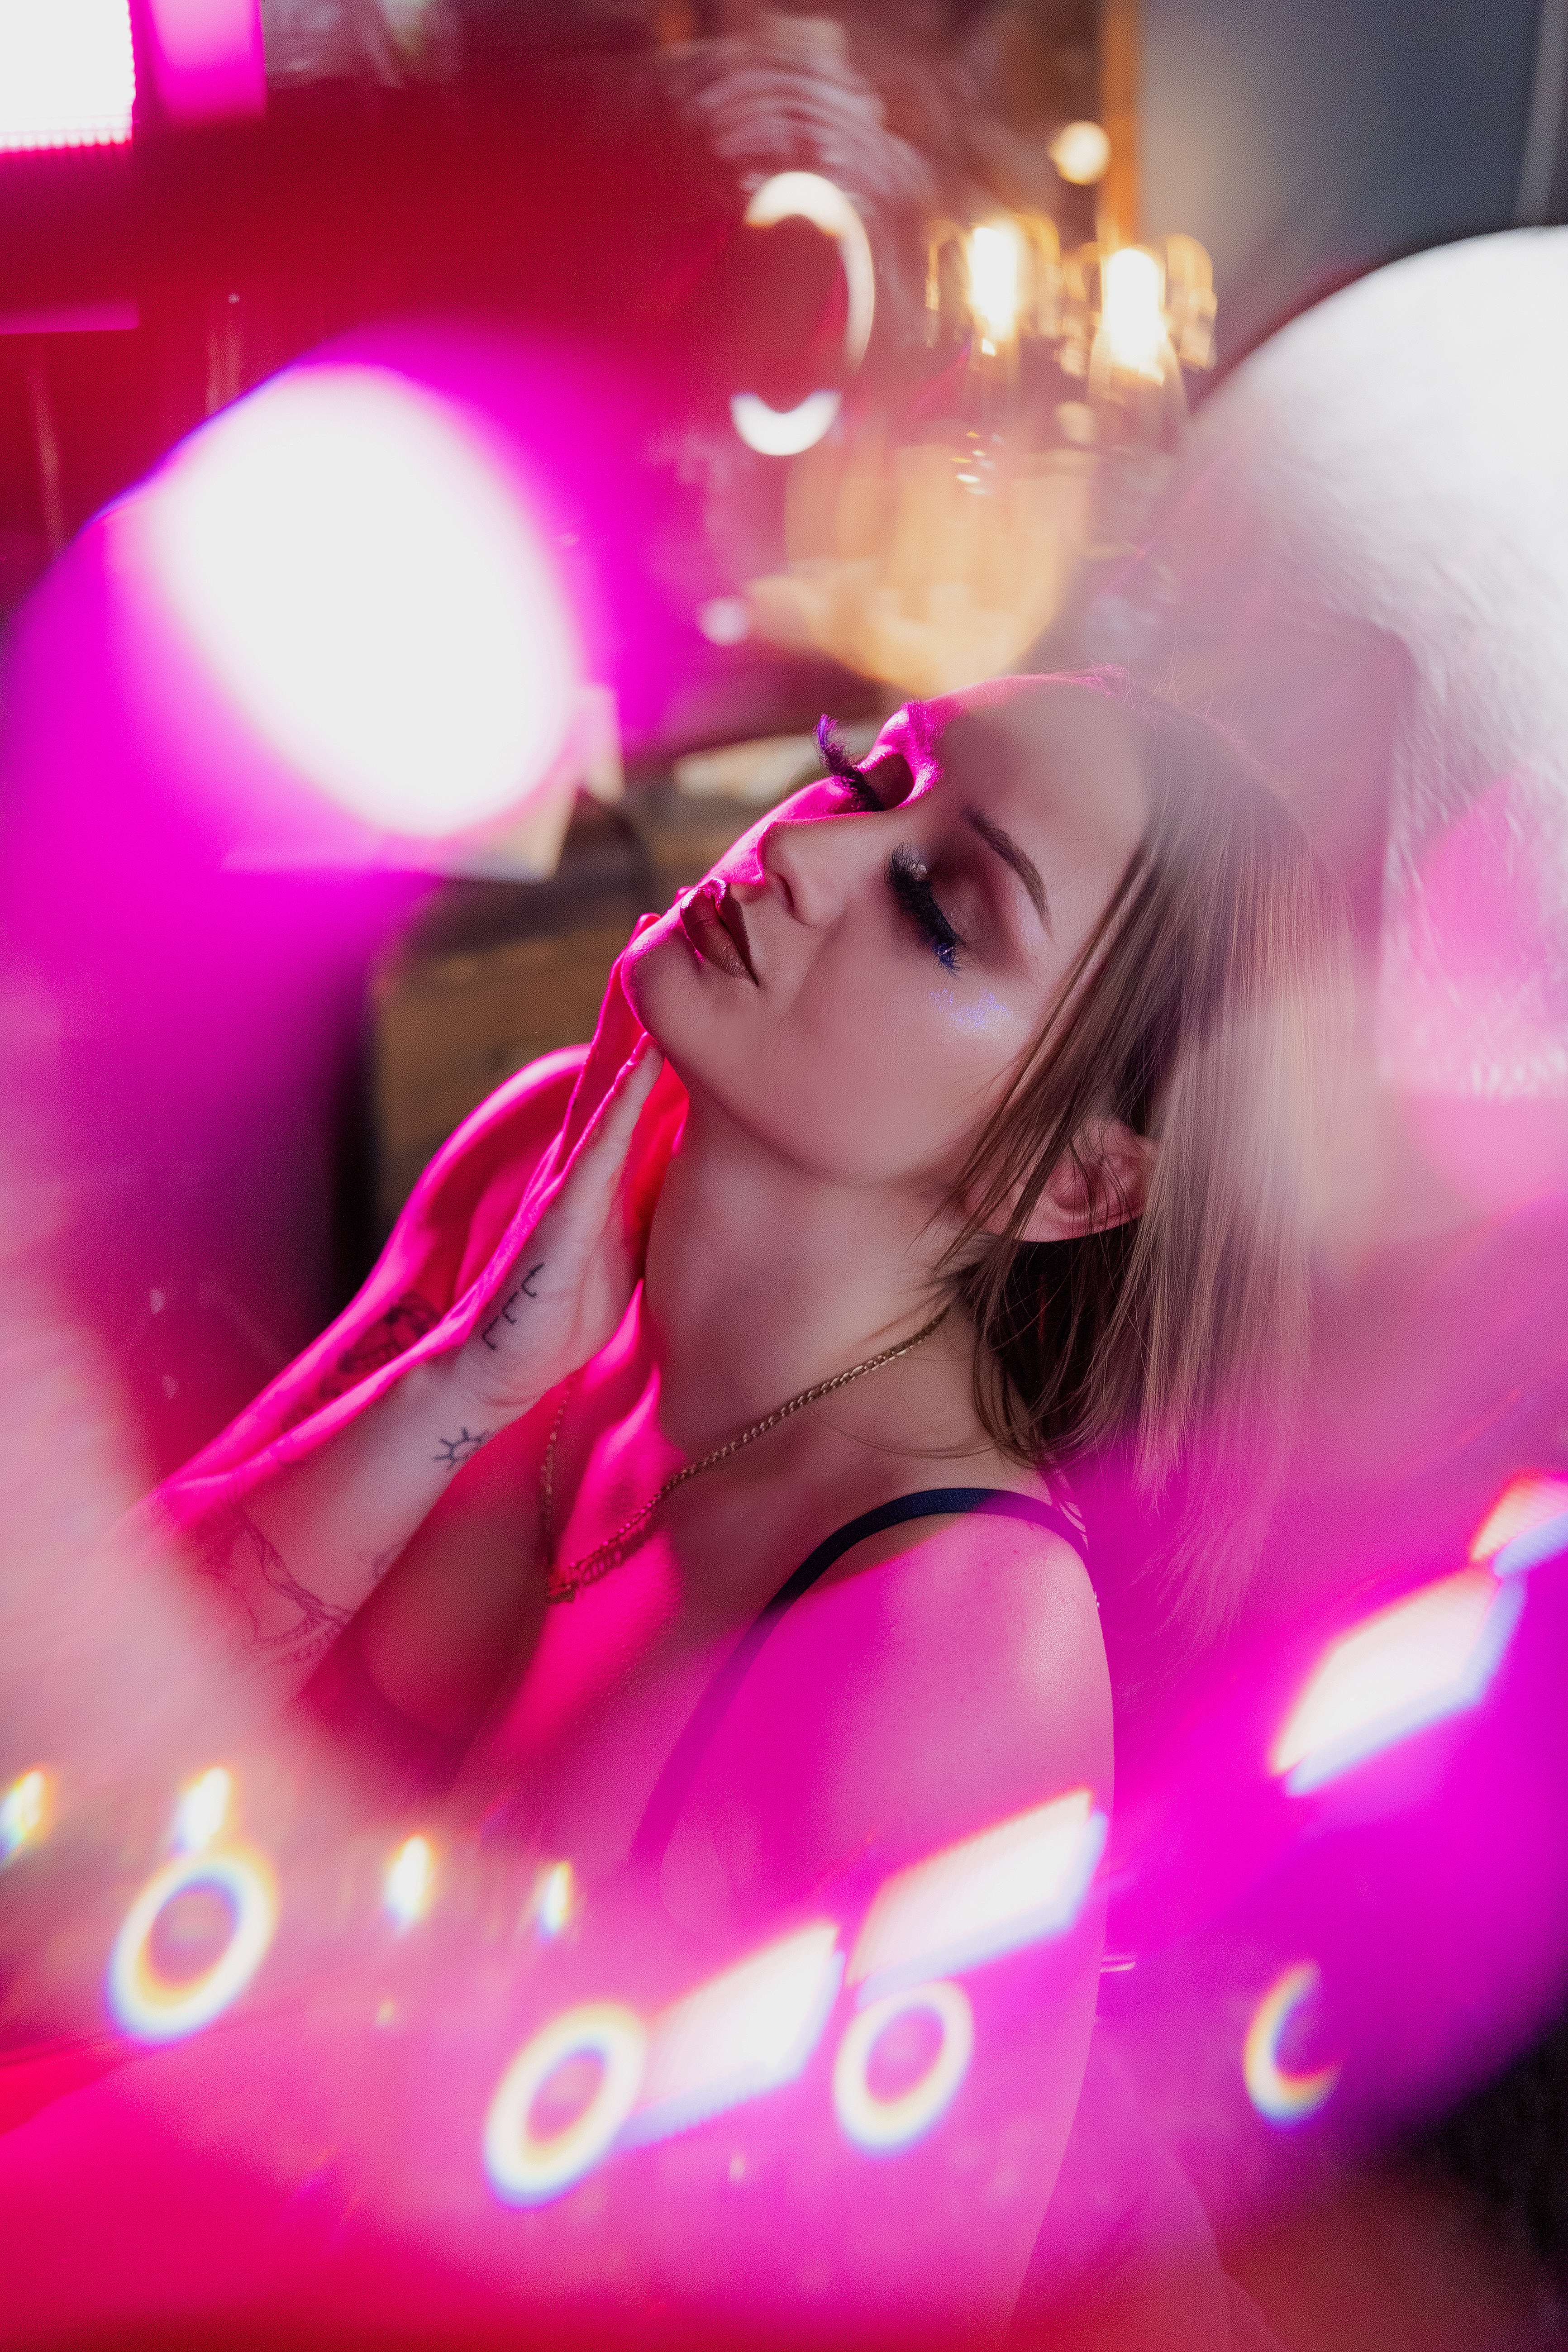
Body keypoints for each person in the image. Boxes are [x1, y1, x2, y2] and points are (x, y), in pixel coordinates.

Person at [96, 667, 1346, 2335]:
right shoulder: (552, 1155)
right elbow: (86, 1736)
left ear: (1069, 1179)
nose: (806, 852)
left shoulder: (952, 1636)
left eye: (941, 908)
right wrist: (461, 1385)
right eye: (868, 777)